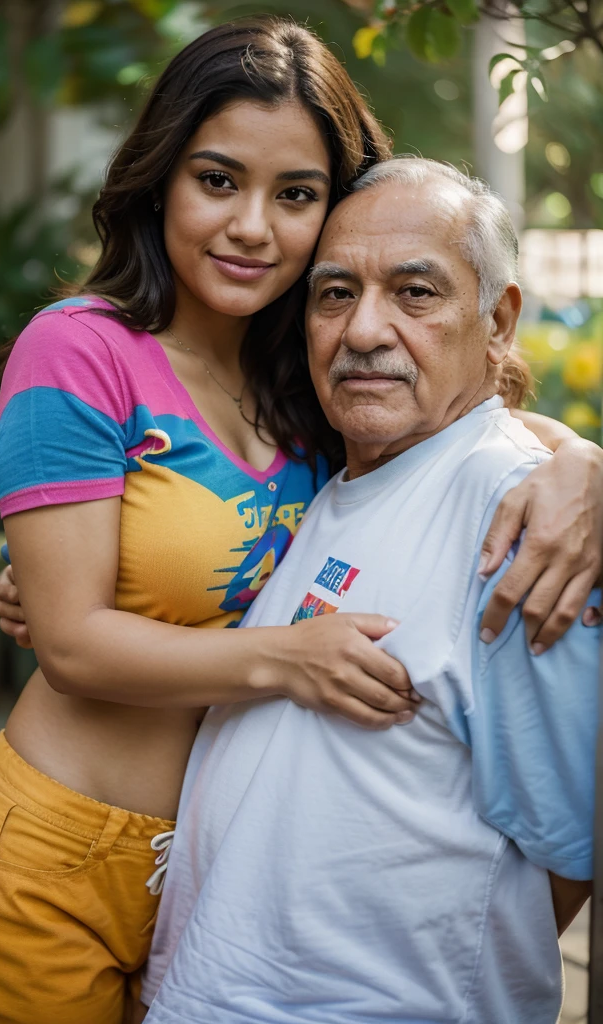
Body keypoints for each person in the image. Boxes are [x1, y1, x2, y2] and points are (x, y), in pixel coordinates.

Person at [0, 16, 601, 1024]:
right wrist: (285, 656)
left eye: (294, 195)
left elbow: (464, 425)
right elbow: (71, 642)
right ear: (158, 178)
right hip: (60, 850)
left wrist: (579, 466)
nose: (251, 227)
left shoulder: (309, 373)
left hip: (200, 879)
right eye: (216, 180)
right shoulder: (80, 350)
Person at [141, 159, 599, 1024]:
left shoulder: (519, 521)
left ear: (498, 322)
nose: (363, 331)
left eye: (416, 293)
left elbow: (573, 847)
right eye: (334, 293)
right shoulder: (334, 477)